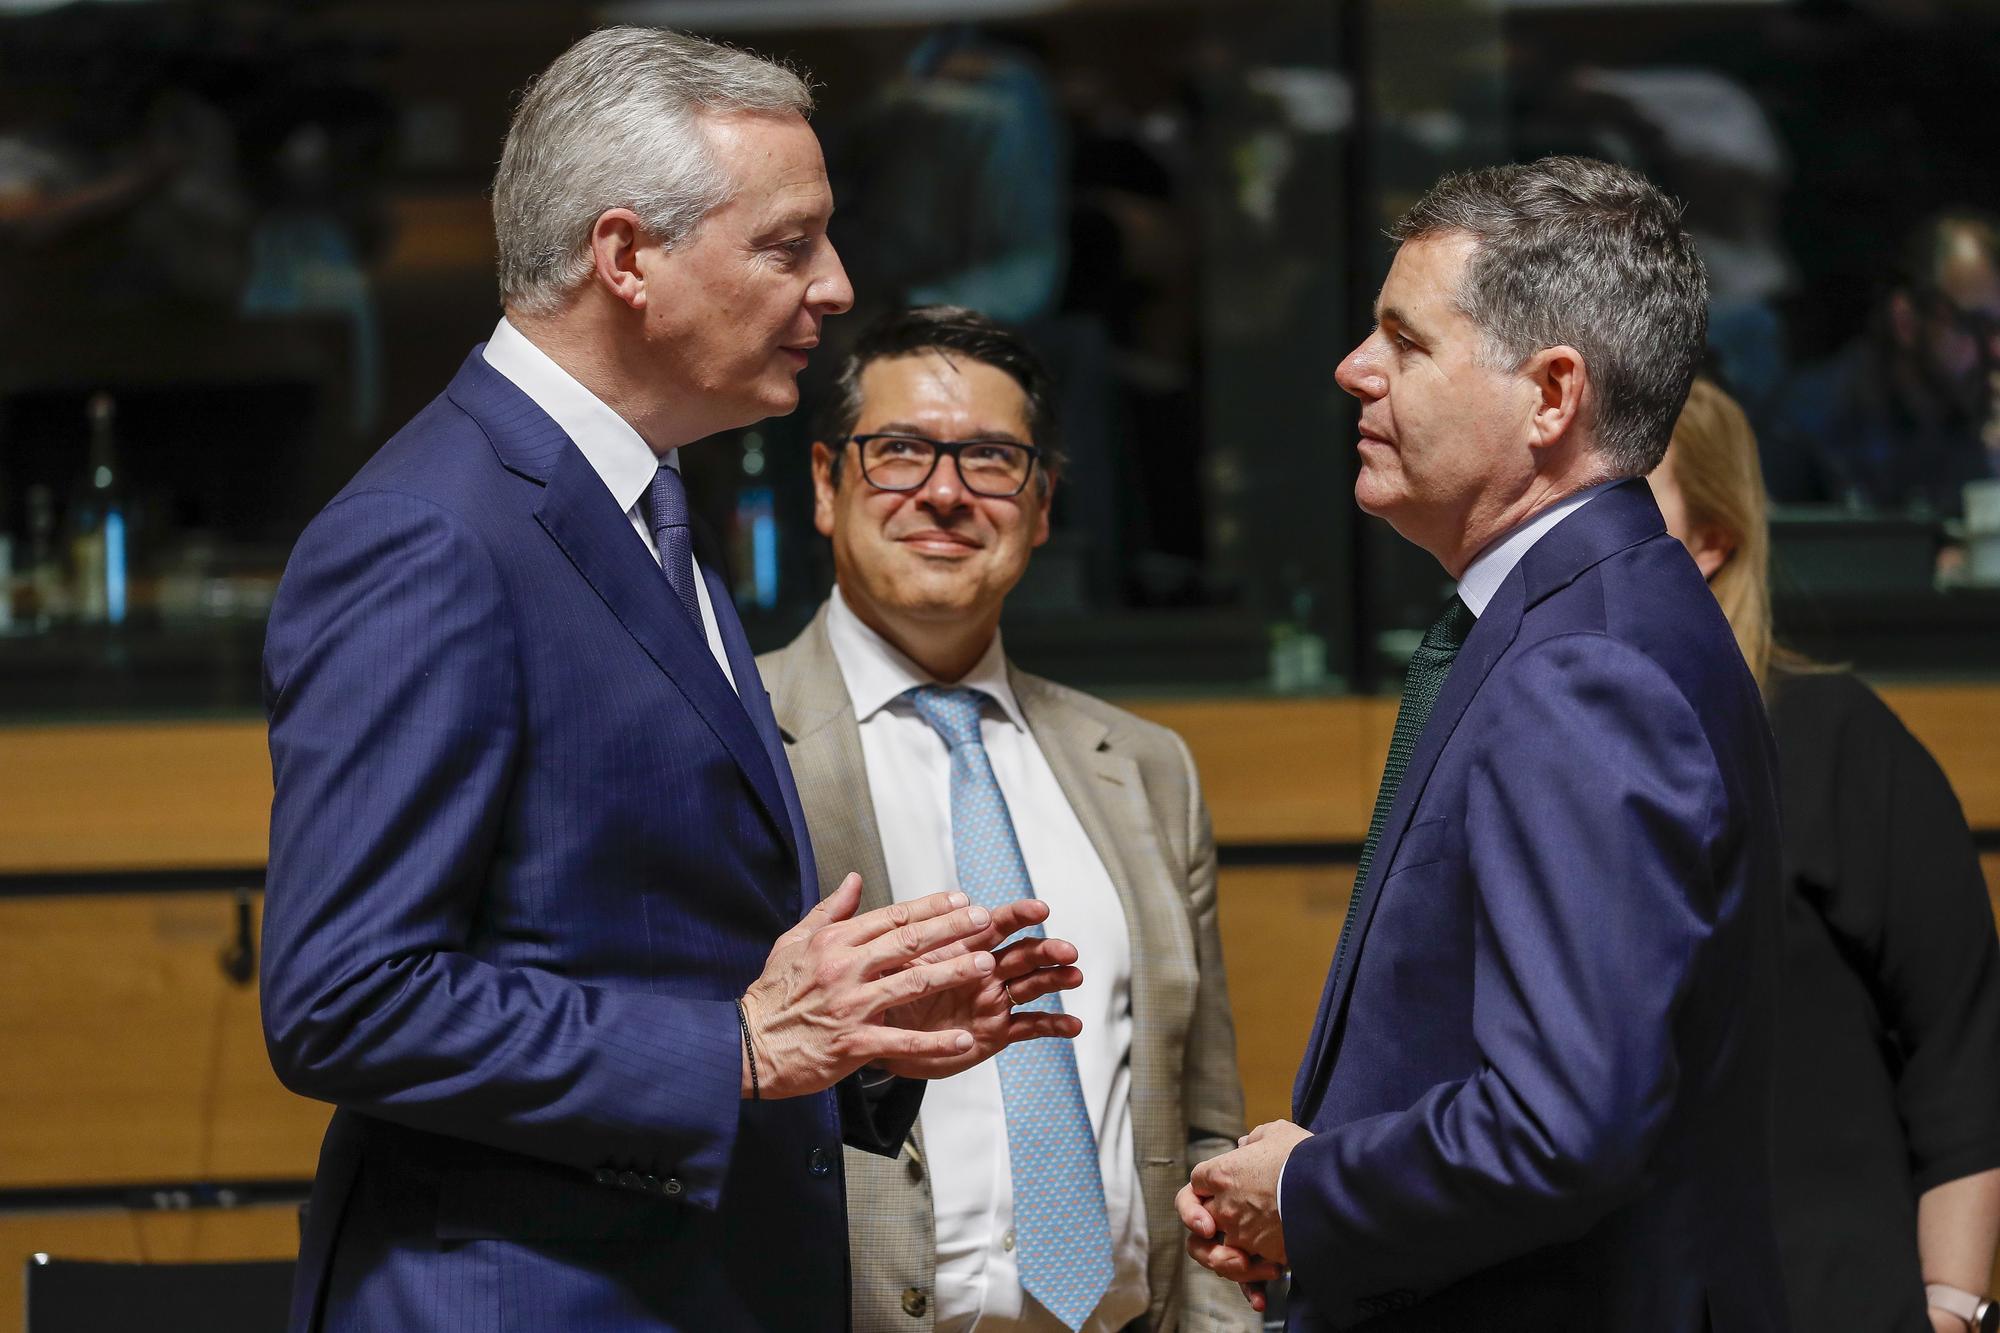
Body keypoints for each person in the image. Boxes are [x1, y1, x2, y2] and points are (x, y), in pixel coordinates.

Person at [259, 29, 1083, 1333]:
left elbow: (646, 935)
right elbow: (347, 1000)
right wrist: (740, 1049)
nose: (835, 286)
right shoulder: (430, 535)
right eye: (788, 244)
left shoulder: (643, 500)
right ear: (627, 255)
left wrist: (855, 1037)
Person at [1177, 156, 1788, 1330]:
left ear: (1549, 395)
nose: (1353, 368)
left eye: (1404, 342)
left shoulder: (1581, 666)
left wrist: (1305, 1190)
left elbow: (1561, 1125)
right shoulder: (1601, 610)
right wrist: (1318, 1221)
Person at [757, 305, 1256, 1333]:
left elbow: (1205, 1128)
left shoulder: (1145, 770)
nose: (944, 493)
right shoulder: (730, 742)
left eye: (989, 459)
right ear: (823, 483)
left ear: (1039, 507)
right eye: (898, 452)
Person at [1652, 379, 2000, 1333]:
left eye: (1628, 500)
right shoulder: (1542, 747)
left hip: (1830, 1299)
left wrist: (1952, 1309)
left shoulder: (1833, 739)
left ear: (1713, 541)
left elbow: (1963, 1053)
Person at [1768, 212, 2000, 516]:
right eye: (1975, 325)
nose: (1996, 350)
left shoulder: (1975, 420)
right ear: (1906, 321)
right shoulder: (1808, 420)